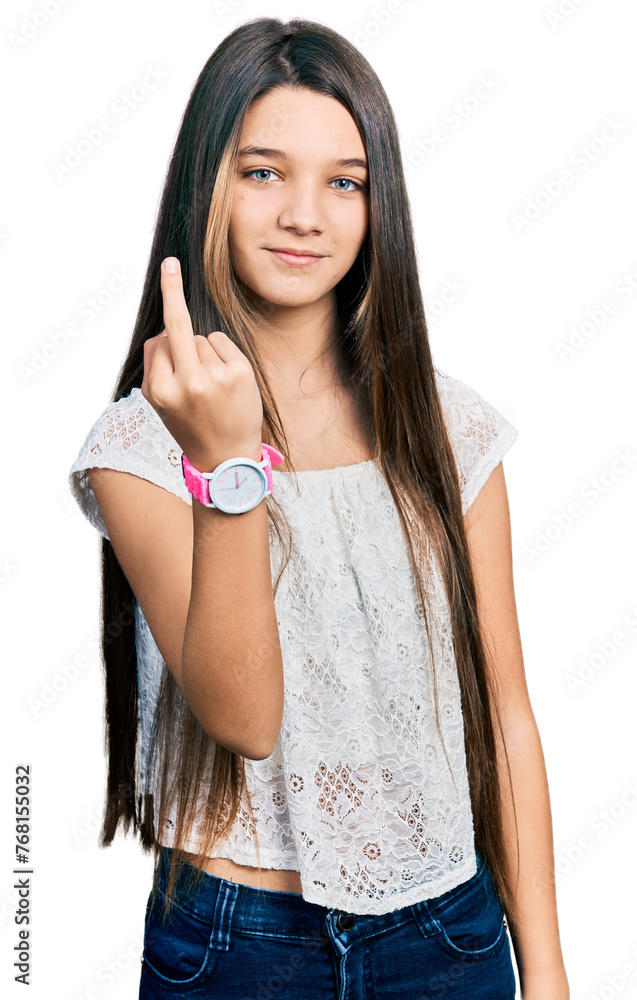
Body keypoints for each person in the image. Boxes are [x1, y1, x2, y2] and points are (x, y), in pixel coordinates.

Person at [67, 16, 569, 1000]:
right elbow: (243, 716)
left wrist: (545, 969)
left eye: (344, 180)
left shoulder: (448, 427)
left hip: (451, 934)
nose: (306, 213)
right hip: (237, 946)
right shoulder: (137, 447)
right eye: (263, 171)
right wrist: (227, 463)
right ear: (203, 185)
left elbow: (501, 713)